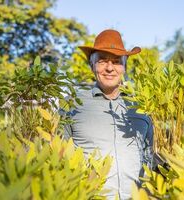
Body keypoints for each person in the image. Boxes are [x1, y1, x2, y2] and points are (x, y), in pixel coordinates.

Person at [64, 29, 153, 199]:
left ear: (125, 67)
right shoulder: (72, 104)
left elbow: (148, 156)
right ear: (92, 66)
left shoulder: (141, 107)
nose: (110, 68)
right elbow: (58, 155)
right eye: (103, 61)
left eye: (117, 61)